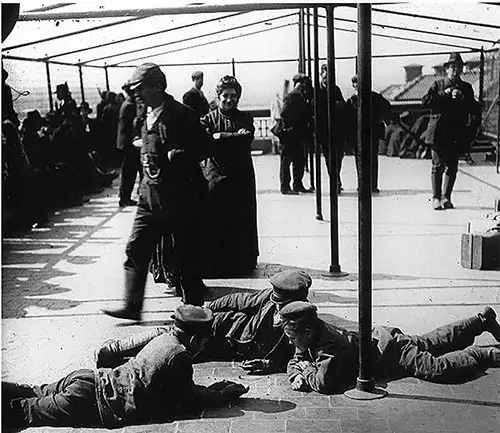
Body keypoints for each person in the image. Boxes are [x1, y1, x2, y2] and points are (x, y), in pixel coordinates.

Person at [2, 305, 249, 430]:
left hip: (88, 379)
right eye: (204, 342)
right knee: (23, 413)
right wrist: (220, 395)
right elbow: (187, 399)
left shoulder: (164, 338)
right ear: (195, 340)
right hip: (93, 401)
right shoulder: (180, 356)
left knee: (33, 392)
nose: (204, 347)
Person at [102, 62, 213, 320]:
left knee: (185, 255)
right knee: (136, 248)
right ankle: (132, 306)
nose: (136, 94)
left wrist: (178, 155)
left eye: (141, 89)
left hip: (180, 198)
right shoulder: (144, 113)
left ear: (159, 87)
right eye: (134, 89)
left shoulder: (182, 114)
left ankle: (193, 313)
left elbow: (206, 148)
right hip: (149, 196)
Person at [280, 301, 500, 394]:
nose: (291, 342)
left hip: (392, 354)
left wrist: (305, 371)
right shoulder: (312, 332)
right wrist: (294, 375)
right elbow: (296, 358)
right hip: (385, 340)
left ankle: (481, 354)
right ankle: (481, 320)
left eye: (291, 337)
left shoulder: (328, 345)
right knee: (432, 342)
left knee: (437, 368)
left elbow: (323, 383)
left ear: (306, 332)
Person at [195, 269, 313, 373]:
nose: (277, 307)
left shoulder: (304, 323)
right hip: (231, 328)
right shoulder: (268, 296)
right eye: (276, 303)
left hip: (236, 350)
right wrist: (207, 309)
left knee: (193, 354)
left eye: (283, 305)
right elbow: (238, 300)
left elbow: (297, 359)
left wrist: (266, 364)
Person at [200, 75, 258, 277]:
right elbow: (206, 142)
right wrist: (233, 137)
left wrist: (220, 137)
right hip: (215, 177)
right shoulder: (208, 119)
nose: (229, 99)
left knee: (240, 220)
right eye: (225, 95)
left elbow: (246, 139)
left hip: (240, 178)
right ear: (218, 96)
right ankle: (216, 264)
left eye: (233, 96)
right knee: (215, 219)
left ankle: (241, 263)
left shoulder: (246, 118)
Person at [422, 52, 480, 210]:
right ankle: (436, 198)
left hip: (455, 132)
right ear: (447, 69)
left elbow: (475, 109)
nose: (455, 70)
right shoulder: (438, 85)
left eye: (458, 68)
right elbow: (425, 101)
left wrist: (464, 98)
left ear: (462, 70)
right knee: (437, 165)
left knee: (452, 166)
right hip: (438, 133)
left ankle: (446, 197)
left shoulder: (466, 88)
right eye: (452, 67)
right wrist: (444, 94)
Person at [346, 75, 391, 193]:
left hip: (372, 133)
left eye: (358, 83)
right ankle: (361, 184)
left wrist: (382, 119)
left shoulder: (375, 97)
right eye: (354, 83)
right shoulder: (351, 100)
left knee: (372, 159)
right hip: (357, 135)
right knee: (359, 160)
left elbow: (387, 108)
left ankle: (373, 185)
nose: (356, 85)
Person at [279, 73, 313, 194]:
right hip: (290, 133)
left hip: (296, 133)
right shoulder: (292, 96)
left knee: (298, 160)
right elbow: (284, 113)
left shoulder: (299, 96)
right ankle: (286, 187)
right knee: (287, 161)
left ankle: (297, 185)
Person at [317, 64, 347, 193]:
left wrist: (338, 105)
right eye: (324, 77)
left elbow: (343, 105)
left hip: (337, 129)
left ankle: (336, 178)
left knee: (339, 157)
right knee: (329, 158)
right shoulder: (317, 91)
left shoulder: (336, 89)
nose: (326, 79)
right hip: (324, 131)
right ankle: (335, 181)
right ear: (321, 76)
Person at [116, 82, 144, 207]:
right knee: (129, 172)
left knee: (129, 171)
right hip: (129, 144)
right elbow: (131, 126)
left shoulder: (127, 104)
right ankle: (124, 197)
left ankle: (125, 196)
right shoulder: (129, 105)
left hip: (126, 143)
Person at [269, 79, 290, 155]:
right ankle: (279, 149)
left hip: (275, 121)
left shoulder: (275, 100)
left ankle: (276, 149)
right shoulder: (278, 100)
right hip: (278, 120)